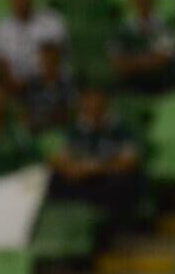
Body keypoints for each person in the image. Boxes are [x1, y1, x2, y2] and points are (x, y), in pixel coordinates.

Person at [48, 89, 143, 217]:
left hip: (107, 175)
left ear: (105, 107)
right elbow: (58, 159)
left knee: (124, 180)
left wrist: (97, 168)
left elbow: (130, 161)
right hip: (82, 176)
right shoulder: (75, 131)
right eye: (89, 107)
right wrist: (72, 168)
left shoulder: (121, 129)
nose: (93, 111)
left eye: (97, 107)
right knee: (55, 178)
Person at [0, 0, 69, 93]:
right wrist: (13, 83)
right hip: (17, 86)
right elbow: (2, 64)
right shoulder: (0, 29)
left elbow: (58, 56)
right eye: (17, 0)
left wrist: (38, 82)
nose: (21, 3)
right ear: (11, 2)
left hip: (49, 82)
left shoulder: (52, 21)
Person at [108, 0, 175, 93]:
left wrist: (133, 62)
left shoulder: (164, 27)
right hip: (132, 78)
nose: (143, 4)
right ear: (133, 3)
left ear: (152, 2)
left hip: (160, 78)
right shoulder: (122, 29)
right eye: (139, 1)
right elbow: (117, 62)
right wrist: (146, 60)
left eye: (146, 1)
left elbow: (163, 59)